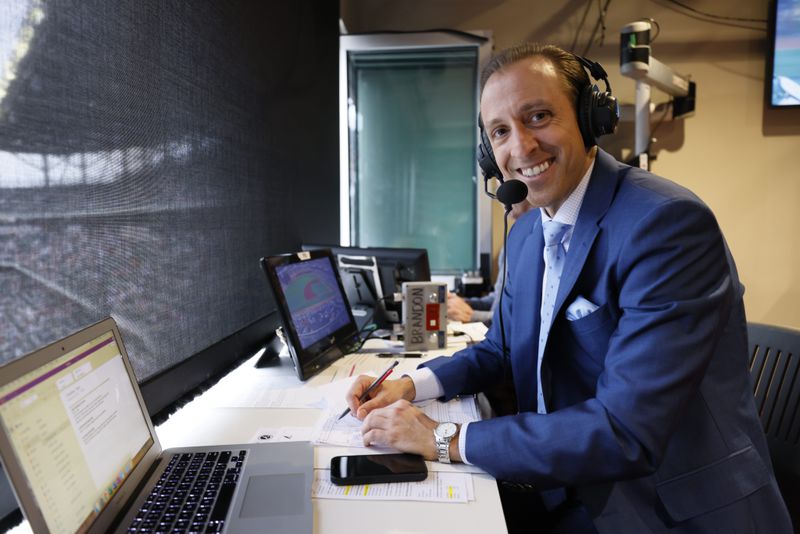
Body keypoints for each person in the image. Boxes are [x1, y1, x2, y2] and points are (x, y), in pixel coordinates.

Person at [345, 43, 793, 533]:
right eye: (500, 132)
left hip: (664, 509)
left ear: (588, 117)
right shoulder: (527, 233)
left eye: (538, 116)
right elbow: (499, 350)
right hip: (568, 488)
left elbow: (625, 431)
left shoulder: (665, 225)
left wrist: (443, 436)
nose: (520, 148)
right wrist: (412, 385)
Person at [447, 200, 534, 325]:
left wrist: (472, 316)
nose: (500, 195)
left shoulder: (540, 244)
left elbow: (526, 320)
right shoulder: (511, 241)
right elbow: (497, 300)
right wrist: (462, 303)